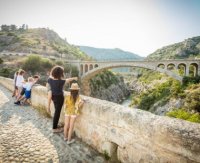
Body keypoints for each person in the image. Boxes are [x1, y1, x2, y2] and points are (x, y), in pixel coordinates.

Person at [47, 66, 78, 133]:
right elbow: (68, 80)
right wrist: (74, 78)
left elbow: (51, 76)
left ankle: (55, 125)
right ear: (60, 74)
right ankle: (54, 128)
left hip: (53, 97)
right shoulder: (61, 81)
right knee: (57, 113)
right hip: (59, 98)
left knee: (56, 111)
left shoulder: (50, 80)